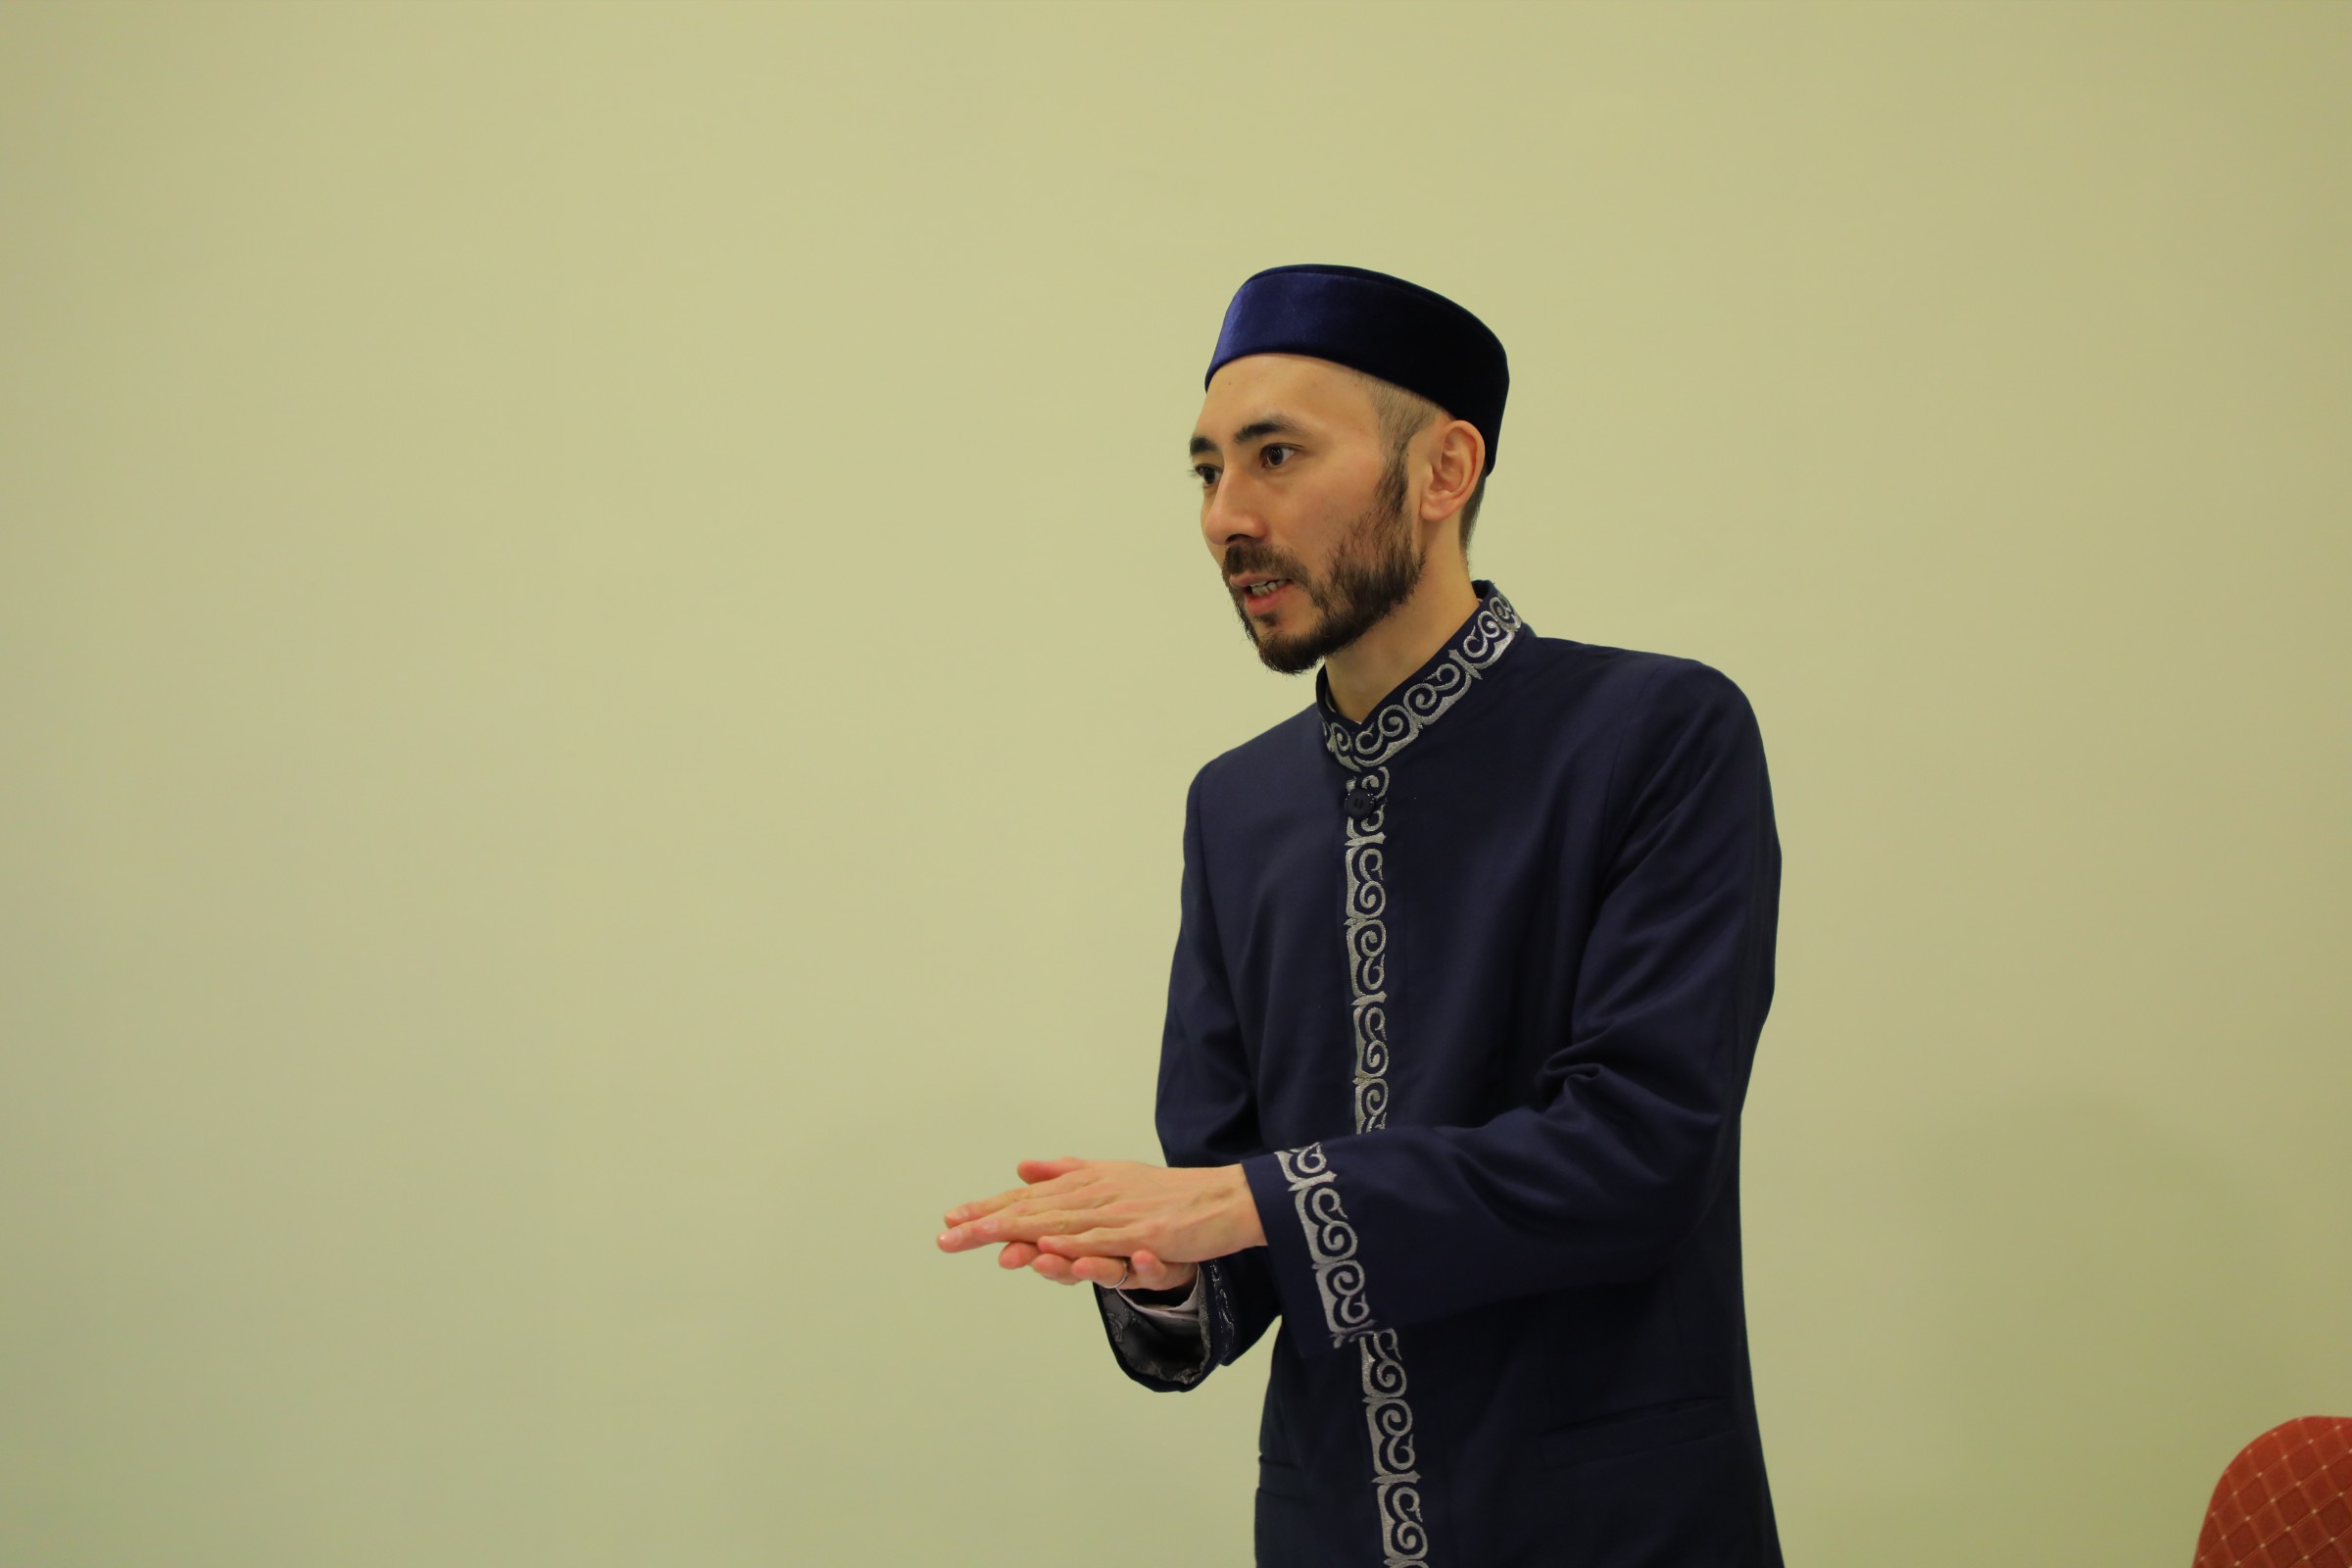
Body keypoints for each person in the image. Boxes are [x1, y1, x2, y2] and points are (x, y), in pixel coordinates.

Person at [936, 263, 1785, 1567]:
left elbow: (1637, 1154)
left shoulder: (1652, 735)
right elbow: (1231, 1193)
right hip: (1328, 1527)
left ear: (1444, 470)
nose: (1228, 516)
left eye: (1276, 456)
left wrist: (1245, 1204)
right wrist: (1166, 1271)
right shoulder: (1238, 808)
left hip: (1610, 1526)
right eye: (1208, 471)